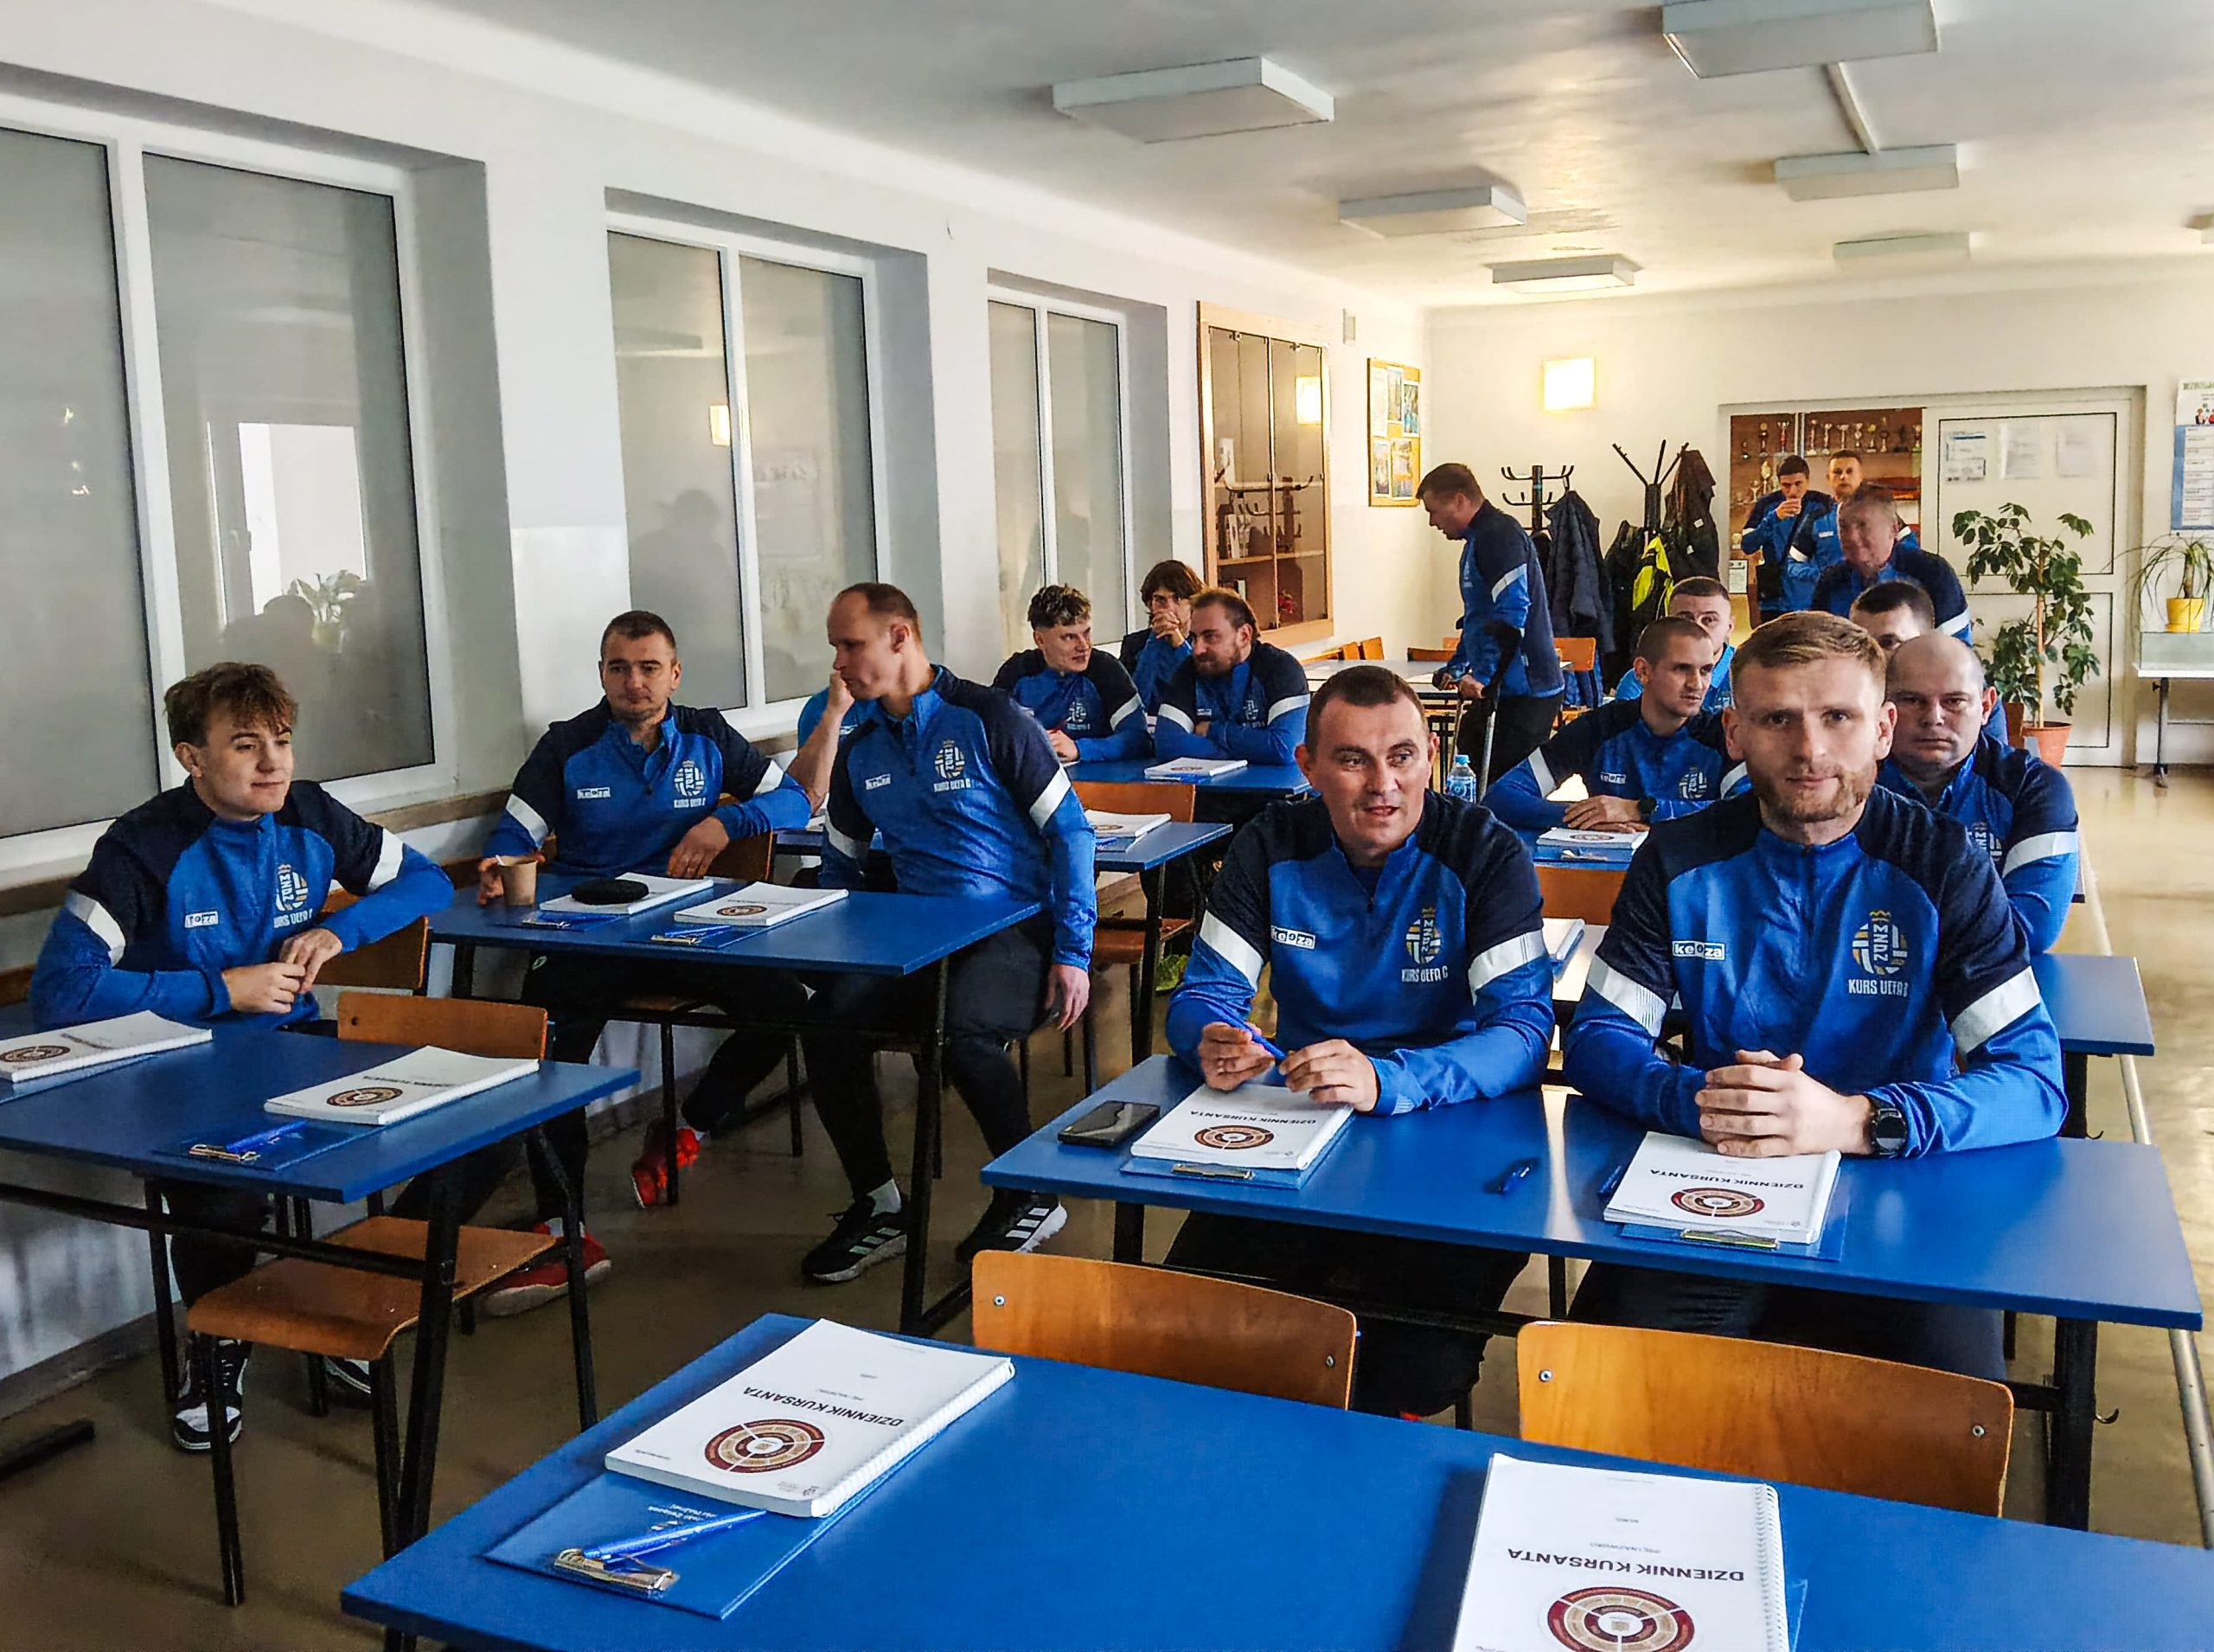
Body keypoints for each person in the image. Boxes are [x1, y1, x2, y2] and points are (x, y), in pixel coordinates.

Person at [1563, 612, 2065, 1379]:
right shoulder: (1678, 858)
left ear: (1882, 729)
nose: (1809, 750)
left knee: (1950, 1408)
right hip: (1715, 1176)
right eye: (1778, 720)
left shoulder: (1944, 866)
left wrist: (1860, 1120)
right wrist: (1710, 1103)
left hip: (1899, 1181)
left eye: (1838, 717)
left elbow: (2033, 1081)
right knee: (1597, 1381)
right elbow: (1598, 1039)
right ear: (1735, 732)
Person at [30, 662, 451, 1450]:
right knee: (221, 1194)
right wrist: (220, 989)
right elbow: (61, 989)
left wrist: (338, 932)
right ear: (192, 758)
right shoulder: (143, 847)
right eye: (246, 745)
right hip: (185, 1066)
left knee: (466, 1129)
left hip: (298, 1049)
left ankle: (347, 1304)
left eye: (282, 742)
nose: (272, 764)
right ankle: (219, 1340)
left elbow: (427, 883)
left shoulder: (311, 813)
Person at [1162, 666, 1553, 1416]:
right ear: (1308, 768)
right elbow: (1206, 993)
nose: (1383, 785)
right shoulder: (1269, 844)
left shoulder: (1484, 851)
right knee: (1192, 1321)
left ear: (1431, 757)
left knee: (1412, 1372)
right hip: (1305, 1130)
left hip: (1455, 1130)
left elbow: (1524, 1032)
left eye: (1402, 756)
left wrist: (1389, 1079)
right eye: (1352, 760)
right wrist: (1208, 1036)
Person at [478, 611, 813, 1297]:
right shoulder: (567, 746)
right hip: (593, 934)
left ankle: (689, 1124)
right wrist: (498, 863)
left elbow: (795, 802)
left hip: (690, 928)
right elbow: (515, 833)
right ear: (602, 674)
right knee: (546, 1051)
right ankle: (562, 1228)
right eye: (619, 668)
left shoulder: (709, 735)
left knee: (790, 1006)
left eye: (649, 667)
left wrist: (725, 822)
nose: (634, 681)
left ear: (675, 674)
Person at [799, 583, 1097, 1281]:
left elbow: (1072, 834)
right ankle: (880, 1206)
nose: (839, 663)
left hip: (1014, 934)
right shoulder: (862, 747)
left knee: (961, 1027)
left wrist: (1075, 951)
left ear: (901, 636)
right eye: (835, 647)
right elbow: (839, 866)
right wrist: (840, 953)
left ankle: (1030, 1193)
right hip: (918, 940)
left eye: (852, 645)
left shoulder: (990, 718)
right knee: (827, 1022)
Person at [1879, 635, 2078, 953]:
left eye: (1954, 701)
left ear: (1986, 706)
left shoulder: (2035, 788)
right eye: (1912, 700)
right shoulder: (1844, 783)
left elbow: (2031, 929)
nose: (1933, 717)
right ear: (1884, 708)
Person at [1490, 618, 1744, 834]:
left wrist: (1641, 810)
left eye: (1706, 671)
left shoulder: (1722, 735)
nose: (1697, 684)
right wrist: (1589, 817)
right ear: (1642, 671)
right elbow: (1501, 796)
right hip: (1610, 867)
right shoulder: (1598, 728)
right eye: (1682, 669)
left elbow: (1745, 811)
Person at [1418, 462, 1565, 781]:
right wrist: (1458, 666)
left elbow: (1512, 614)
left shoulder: (1498, 537)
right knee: (1469, 758)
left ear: (1459, 500)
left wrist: (1482, 676)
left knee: (1503, 786)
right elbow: (1478, 619)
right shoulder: (1478, 540)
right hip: (1505, 686)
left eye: (1434, 511)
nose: (1433, 522)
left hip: (1527, 688)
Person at [1154, 587, 1310, 766]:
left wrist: (1213, 731)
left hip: (1276, 785)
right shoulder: (1189, 670)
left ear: (1244, 636)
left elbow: (1284, 748)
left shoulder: (1281, 668)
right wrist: (1248, 750)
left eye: (1210, 637)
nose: (1197, 649)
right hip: (1213, 784)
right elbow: (1167, 745)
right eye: (1194, 637)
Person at [993, 584, 1149, 762]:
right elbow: (989, 736)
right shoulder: (1016, 672)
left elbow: (1139, 740)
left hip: (1096, 776)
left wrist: (1080, 749)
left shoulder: (1106, 670)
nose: (1084, 646)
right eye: (1069, 637)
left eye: (1086, 633)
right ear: (1040, 640)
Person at [1849, 580, 2009, 746]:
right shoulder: (1845, 697)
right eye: (1863, 644)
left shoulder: (1972, 700)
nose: (1874, 655)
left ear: (1926, 640)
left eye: (1889, 643)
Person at [1812, 490, 1968, 638]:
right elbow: (1819, 646)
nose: (1851, 537)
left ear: (1893, 529)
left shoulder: (1932, 573)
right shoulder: (1831, 581)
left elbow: (1955, 647)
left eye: (1862, 525)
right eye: (1844, 527)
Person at [1611, 575, 1737, 709]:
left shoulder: (1748, 673)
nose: (1697, 628)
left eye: (1709, 620)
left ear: (1729, 627)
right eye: (1685, 619)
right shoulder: (1644, 676)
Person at [1741, 456, 1834, 619]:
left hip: (1812, 596)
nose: (1792, 491)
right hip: (1774, 598)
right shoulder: (1766, 505)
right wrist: (1773, 519)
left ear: (1807, 481)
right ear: (1779, 483)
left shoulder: (1823, 504)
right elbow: (1747, 545)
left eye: (1798, 484)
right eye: (1786, 485)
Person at [1119, 558, 1201, 713]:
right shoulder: (1133, 644)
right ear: (1150, 604)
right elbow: (1133, 704)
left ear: (1192, 603)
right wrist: (1154, 641)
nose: (1169, 607)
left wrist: (1179, 644)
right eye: (1160, 600)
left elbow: (1203, 696)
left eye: (1177, 598)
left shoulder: (1204, 643)